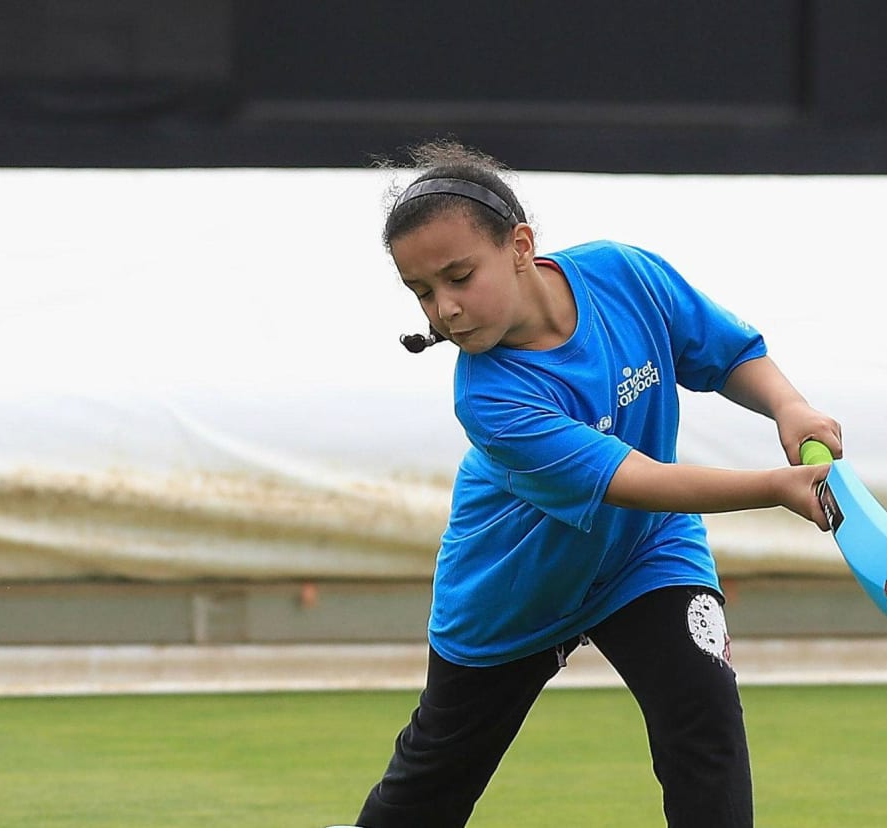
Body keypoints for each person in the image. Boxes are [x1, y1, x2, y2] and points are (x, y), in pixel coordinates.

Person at [351, 142, 841, 828]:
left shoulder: (623, 276)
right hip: (514, 594)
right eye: (423, 292)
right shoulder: (488, 399)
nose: (446, 309)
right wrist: (774, 485)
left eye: (459, 276)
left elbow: (726, 351)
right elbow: (632, 479)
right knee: (426, 799)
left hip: (646, 555)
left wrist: (789, 406)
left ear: (519, 245)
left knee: (704, 730)